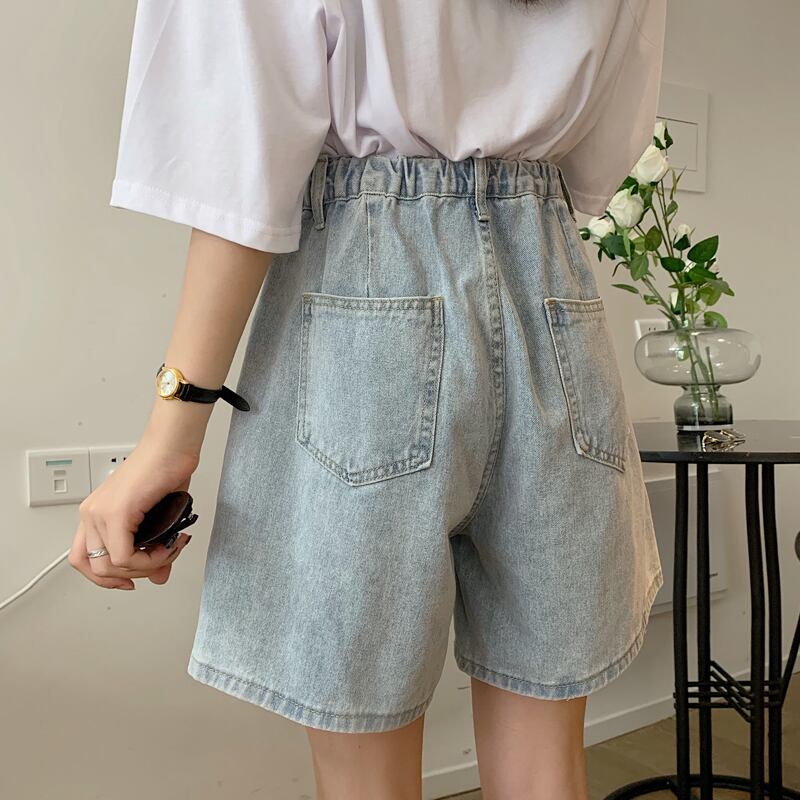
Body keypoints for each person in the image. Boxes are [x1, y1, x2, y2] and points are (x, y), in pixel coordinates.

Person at [70, 1, 667, 798]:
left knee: (365, 774)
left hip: (365, 291)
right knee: (545, 764)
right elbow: (595, 169)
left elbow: (245, 163)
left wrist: (168, 440)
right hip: (551, 291)